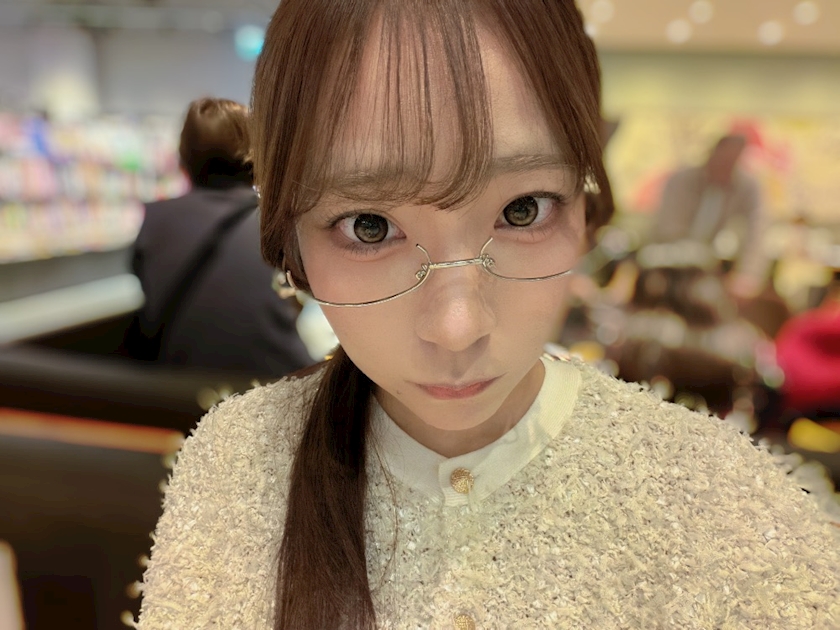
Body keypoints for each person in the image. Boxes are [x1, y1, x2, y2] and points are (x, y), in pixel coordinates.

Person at [137, 3, 839, 629]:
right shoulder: (233, 472)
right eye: (370, 226)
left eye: (523, 210)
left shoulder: (729, 508)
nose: (457, 327)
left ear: (586, 207)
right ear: (290, 243)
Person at [129, 97, 312, 377]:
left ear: (184, 158)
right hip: (274, 382)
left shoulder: (155, 222)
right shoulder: (275, 222)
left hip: (181, 387)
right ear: (257, 154)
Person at [648, 134, 767, 299]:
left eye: (732, 162)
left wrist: (748, 273)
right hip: (670, 262)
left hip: (714, 268)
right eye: (722, 160)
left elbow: (757, 230)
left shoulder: (746, 186)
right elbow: (668, 228)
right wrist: (691, 257)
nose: (725, 166)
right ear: (712, 153)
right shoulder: (682, 180)